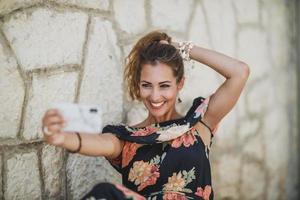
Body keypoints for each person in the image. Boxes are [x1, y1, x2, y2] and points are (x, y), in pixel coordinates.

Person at [42, 31, 250, 200]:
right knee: (104, 193)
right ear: (138, 86)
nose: (155, 96)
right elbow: (99, 143)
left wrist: (176, 48)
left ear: (180, 84)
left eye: (165, 86)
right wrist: (62, 138)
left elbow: (239, 72)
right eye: (147, 86)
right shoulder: (127, 138)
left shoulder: (200, 122)